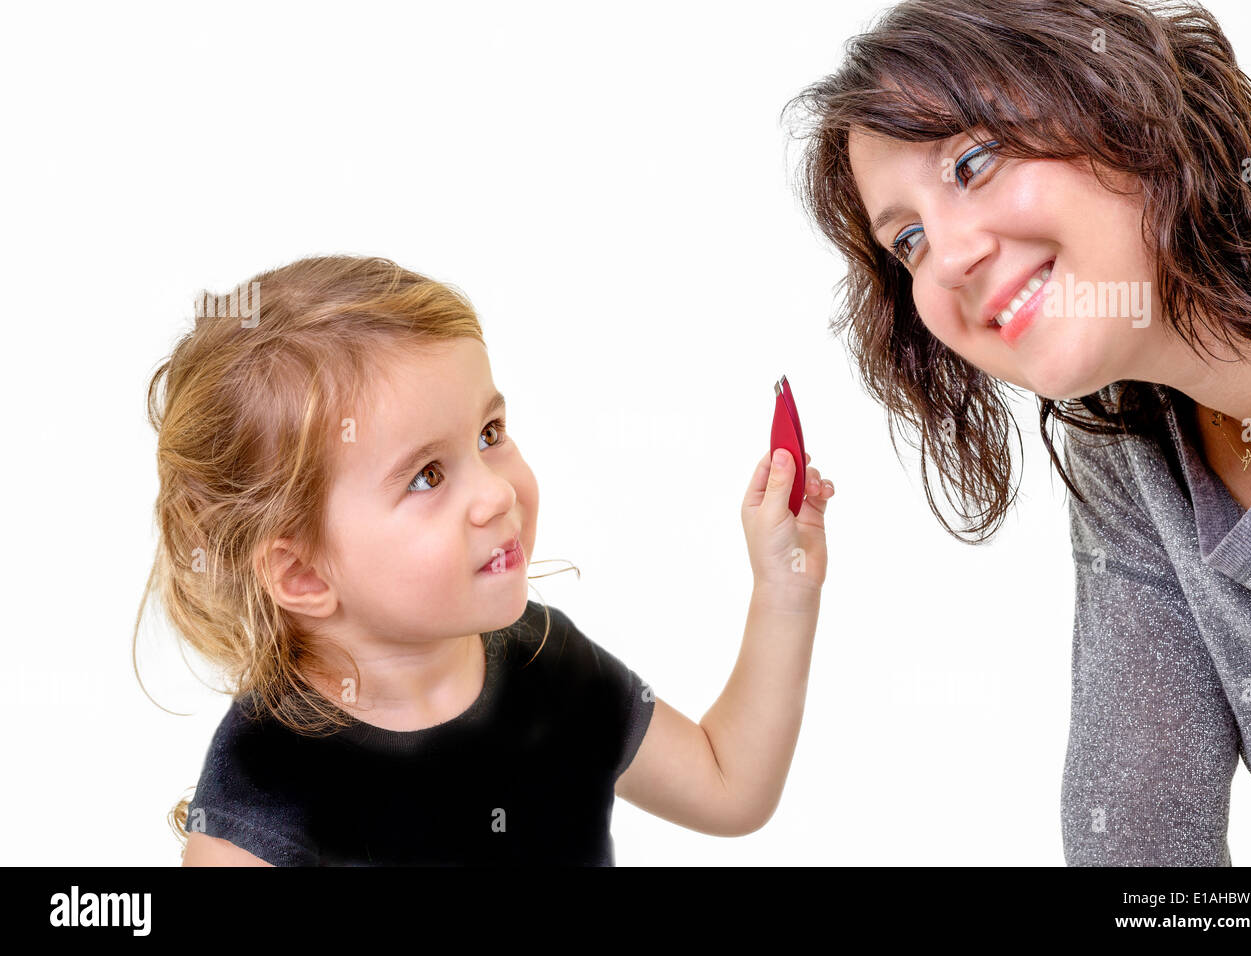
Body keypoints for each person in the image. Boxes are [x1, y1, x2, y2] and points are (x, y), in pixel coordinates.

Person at [782, 0, 1251, 864]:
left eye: (972, 162)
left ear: (1110, 89)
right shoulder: (1128, 449)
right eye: (906, 238)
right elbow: (1138, 848)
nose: (946, 259)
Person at [137, 255, 835, 865]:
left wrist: (785, 587)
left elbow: (728, 786)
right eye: (427, 477)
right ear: (303, 574)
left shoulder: (550, 665)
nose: (496, 493)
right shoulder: (261, 797)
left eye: (490, 433)